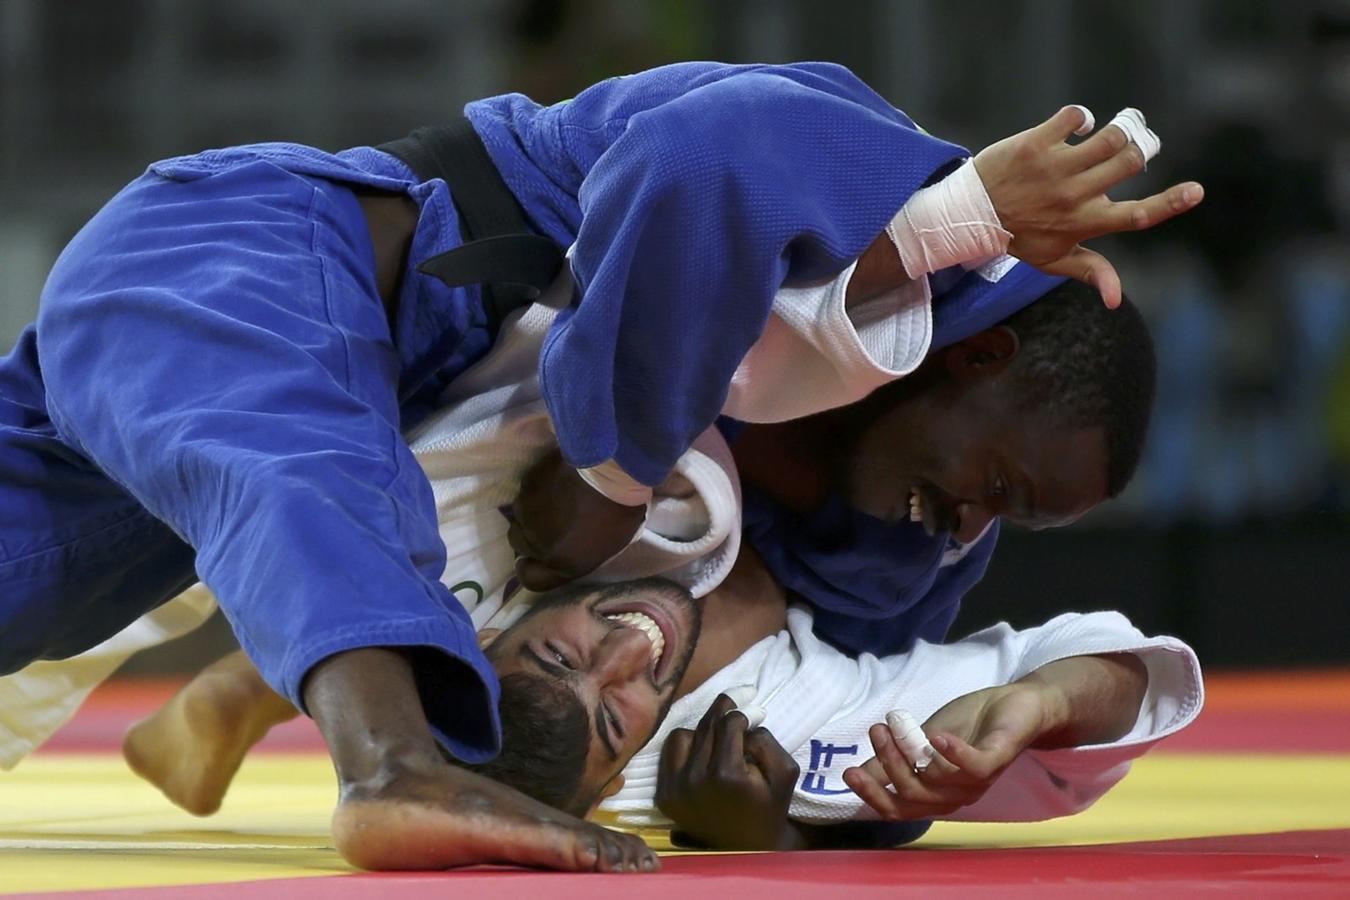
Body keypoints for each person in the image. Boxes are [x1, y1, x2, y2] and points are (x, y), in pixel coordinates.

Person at [0, 61, 1201, 871]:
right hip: (278, 257)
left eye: (1006, 523)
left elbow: (872, 714)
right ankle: (391, 765)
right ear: (978, 352)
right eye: (1001, 481)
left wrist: (778, 833)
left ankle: (318, 722)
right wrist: (944, 227)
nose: (970, 525)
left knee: (36, 580)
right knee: (289, 460)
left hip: (381, 420)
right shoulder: (872, 173)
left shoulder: (887, 537)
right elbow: (694, 166)